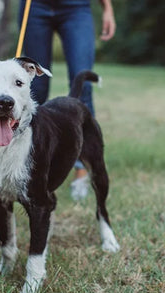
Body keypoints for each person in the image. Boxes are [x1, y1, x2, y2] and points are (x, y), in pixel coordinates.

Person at [19, 0, 116, 200]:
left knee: (83, 86)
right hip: (35, 6)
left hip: (76, 7)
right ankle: (29, 165)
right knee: (36, 87)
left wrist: (107, 8)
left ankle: (81, 170)